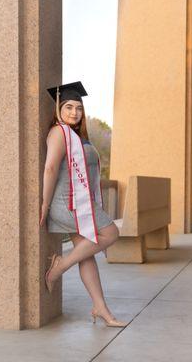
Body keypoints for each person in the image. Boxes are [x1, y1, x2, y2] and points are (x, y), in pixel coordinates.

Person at [40, 81, 127, 328]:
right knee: (111, 232)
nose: (74, 113)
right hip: (67, 204)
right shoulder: (58, 132)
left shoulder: (76, 135)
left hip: (81, 203)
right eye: (68, 107)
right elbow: (50, 168)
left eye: (78, 108)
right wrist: (45, 204)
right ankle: (59, 266)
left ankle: (101, 308)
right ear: (59, 108)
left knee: (87, 256)